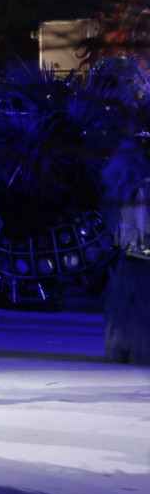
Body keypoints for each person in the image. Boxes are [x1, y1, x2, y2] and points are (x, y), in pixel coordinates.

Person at [99, 128, 150, 364]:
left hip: (137, 244)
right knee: (133, 292)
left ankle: (129, 346)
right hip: (137, 246)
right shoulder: (129, 173)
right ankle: (129, 346)